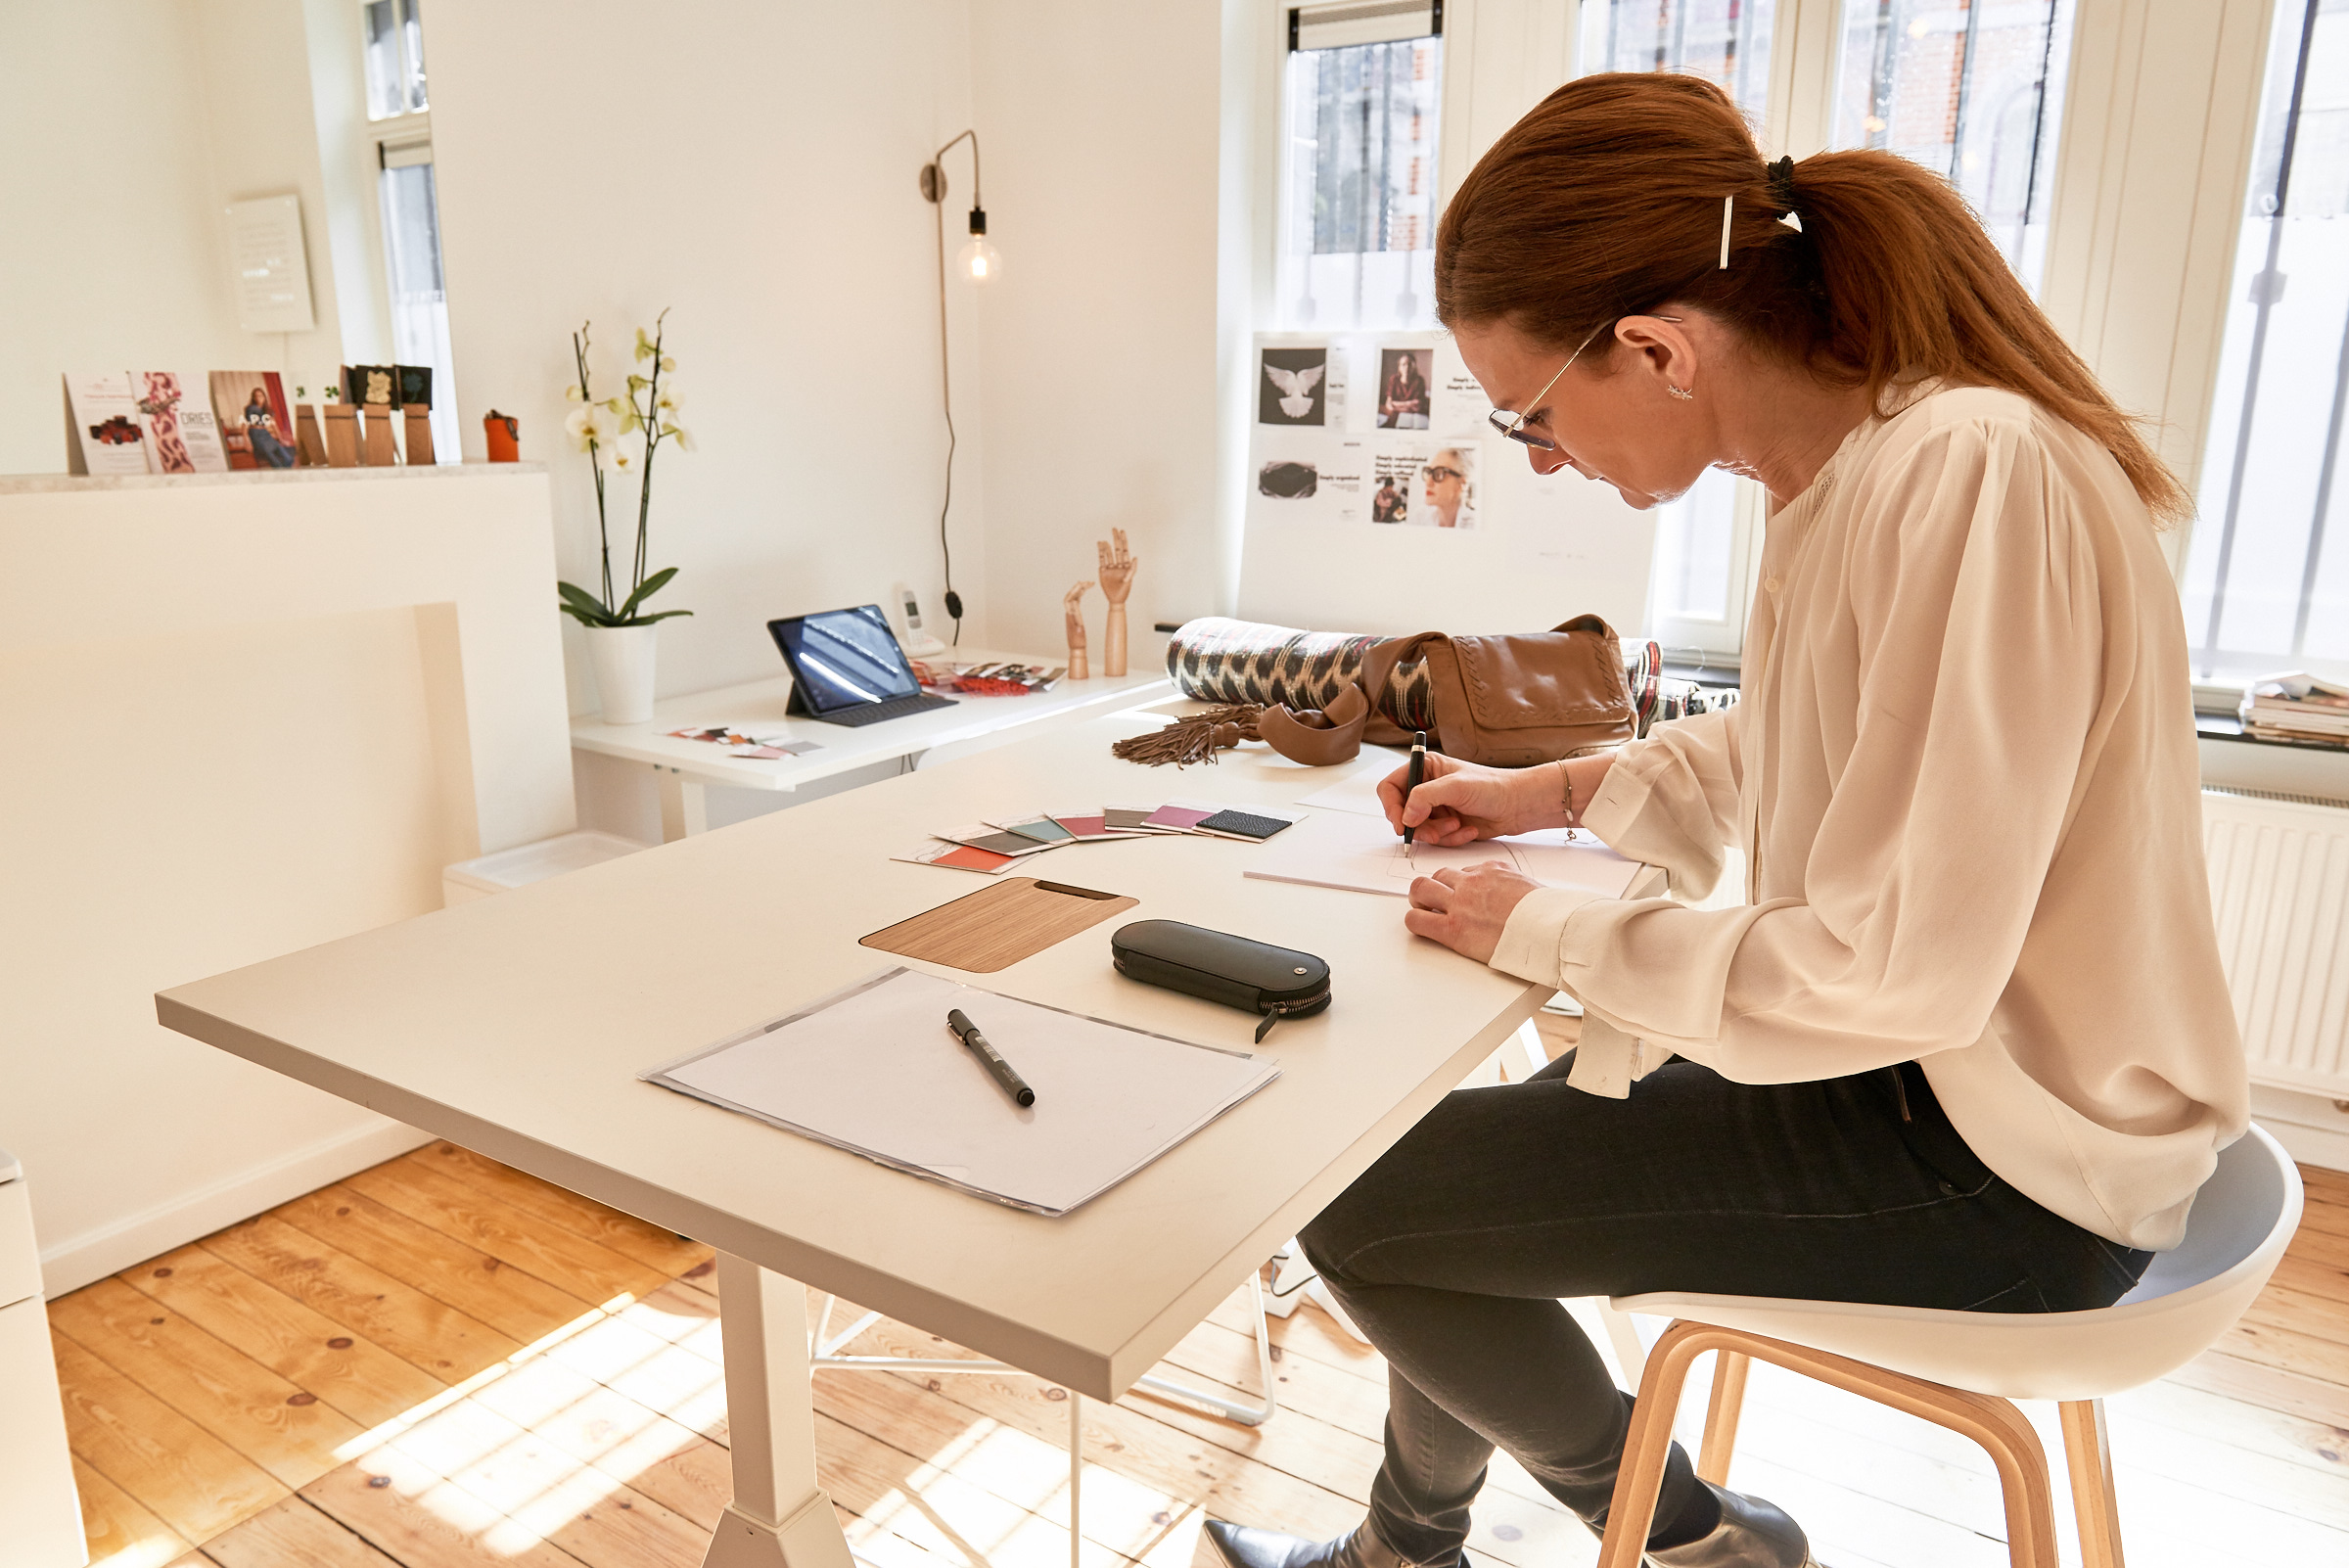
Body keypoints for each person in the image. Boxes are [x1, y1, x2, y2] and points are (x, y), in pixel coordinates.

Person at [1203, 71, 2246, 1568]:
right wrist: (1550, 794)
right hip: (1939, 1089)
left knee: (1357, 1201)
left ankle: (1689, 1539)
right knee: (1436, 1190)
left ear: (1655, 348)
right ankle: (1406, 1548)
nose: (1546, 457)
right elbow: (1809, 740)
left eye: (1533, 414)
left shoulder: (1967, 474)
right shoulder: (1852, 471)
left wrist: (1558, 925)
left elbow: (1899, 967)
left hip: (2008, 1159)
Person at [1418, 449, 1471, 529]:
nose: (1428, 483)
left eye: (1439, 474)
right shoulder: (1419, 517)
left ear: (1461, 484)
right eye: (1428, 472)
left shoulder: (1473, 525)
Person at [1381, 352, 1430, 429]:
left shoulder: (1419, 380)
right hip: (1396, 415)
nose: (1407, 367)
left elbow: (1418, 405)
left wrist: (1395, 406)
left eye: (1409, 364)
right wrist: (1409, 404)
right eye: (1403, 364)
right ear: (1399, 367)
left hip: (1414, 416)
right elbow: (1388, 404)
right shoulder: (1394, 379)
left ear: (1414, 366)